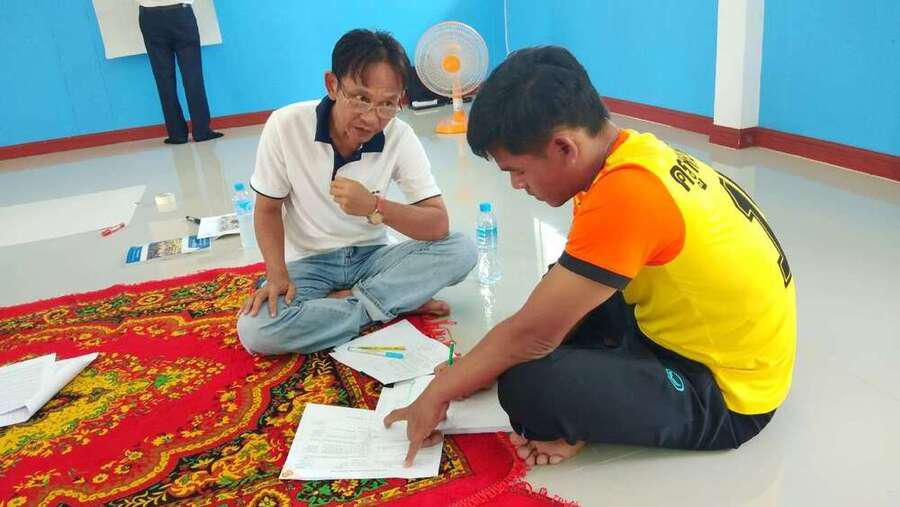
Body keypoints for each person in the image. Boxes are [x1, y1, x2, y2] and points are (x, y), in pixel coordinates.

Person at [385, 46, 797, 467]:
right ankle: (600, 394)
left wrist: (439, 392)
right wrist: (478, 367)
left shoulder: (627, 194)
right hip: (703, 332)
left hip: (727, 394)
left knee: (528, 385)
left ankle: (588, 419)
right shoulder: (634, 155)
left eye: (517, 170)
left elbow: (533, 335)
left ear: (565, 148)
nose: (516, 185)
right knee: (561, 282)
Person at [236, 29, 477, 355]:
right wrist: (277, 275)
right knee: (257, 330)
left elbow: (437, 225)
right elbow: (267, 209)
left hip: (374, 257)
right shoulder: (286, 125)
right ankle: (388, 302)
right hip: (308, 263)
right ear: (332, 85)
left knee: (462, 250)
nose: (371, 118)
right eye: (361, 98)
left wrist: (375, 206)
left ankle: (351, 304)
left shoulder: (400, 136)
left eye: (387, 104)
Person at [137, 0, 223, 144]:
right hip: (180, 12)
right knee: (192, 76)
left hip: (149, 15)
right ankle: (202, 131)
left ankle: (176, 134)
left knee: (163, 79)